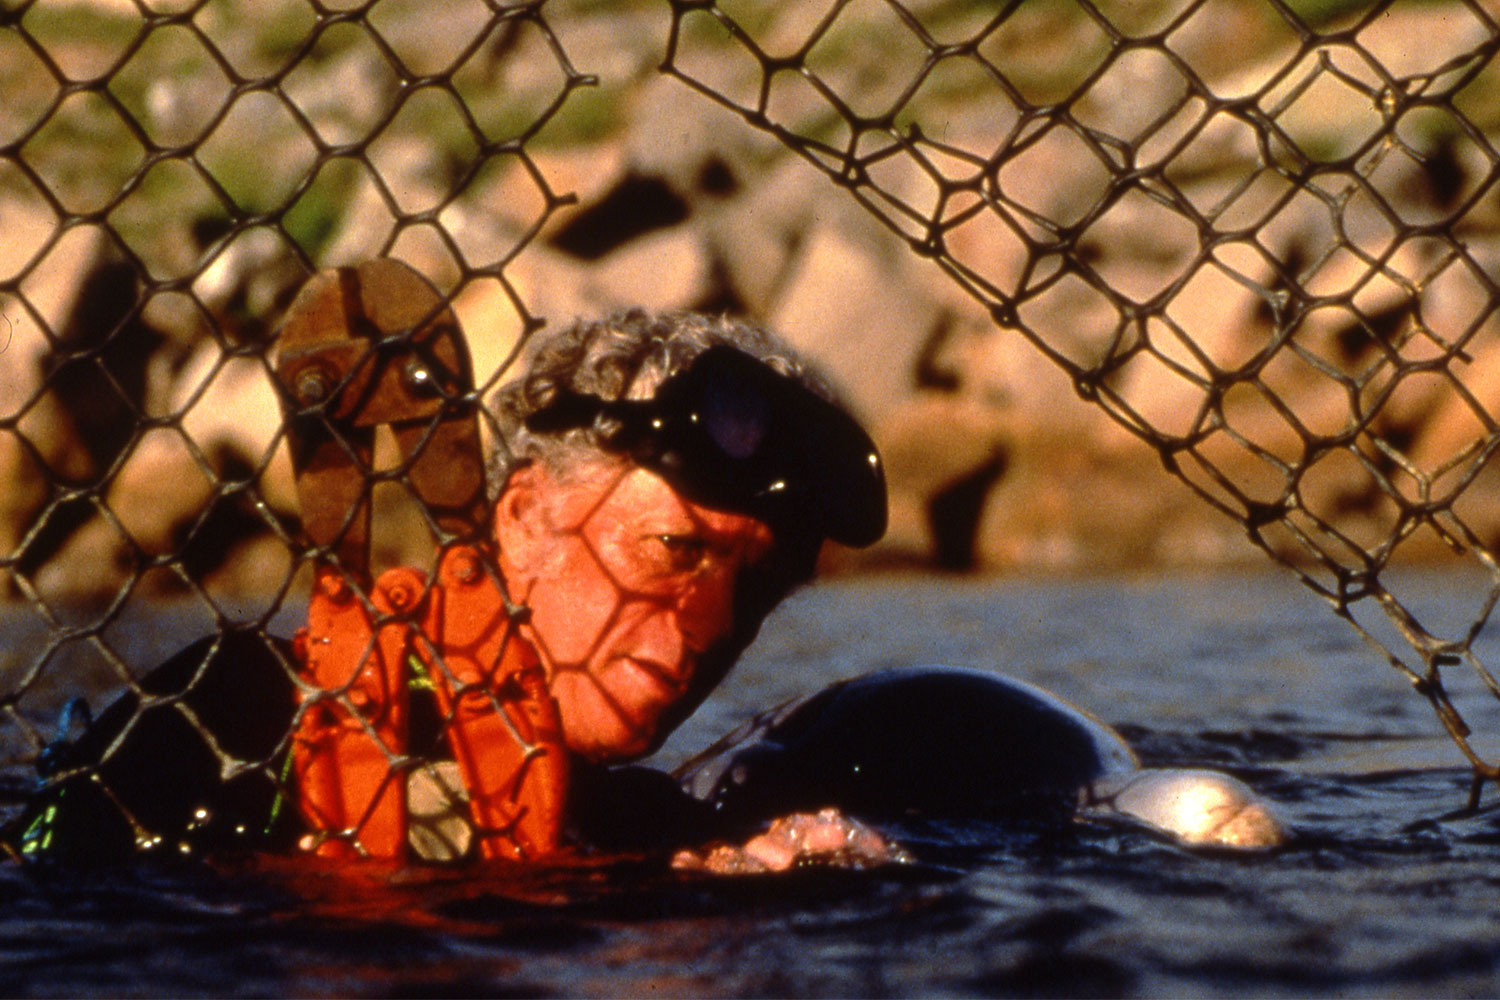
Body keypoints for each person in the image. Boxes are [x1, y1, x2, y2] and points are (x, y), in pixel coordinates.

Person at [2, 309, 1284, 869]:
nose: (709, 626)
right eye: (674, 551)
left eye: (755, 586)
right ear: (523, 515)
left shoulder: (629, 818)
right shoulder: (237, 709)